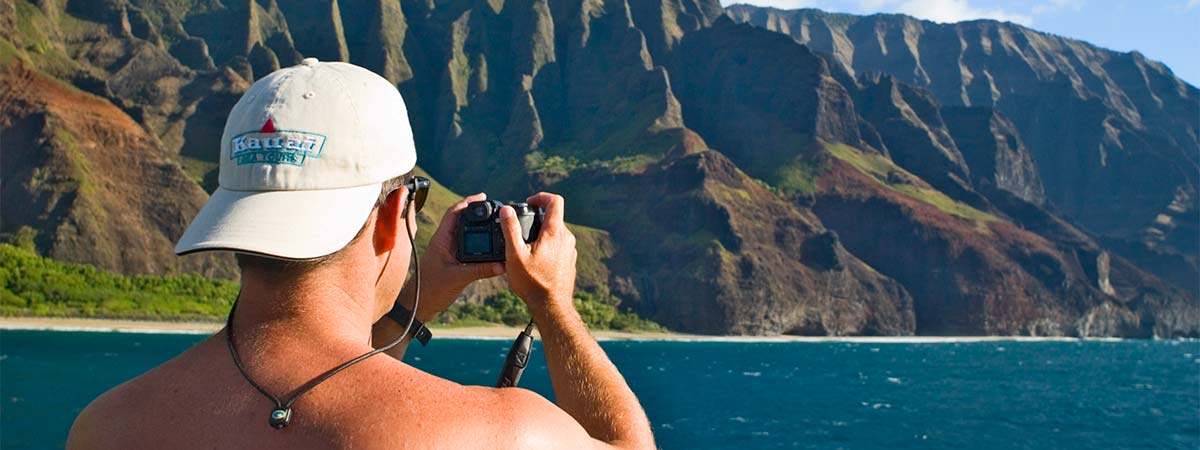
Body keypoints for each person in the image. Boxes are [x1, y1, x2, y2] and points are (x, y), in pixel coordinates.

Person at [65, 58, 655, 450]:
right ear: (395, 212)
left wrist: (418, 302)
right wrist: (553, 307)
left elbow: (323, 378)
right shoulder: (500, 432)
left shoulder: (105, 427)